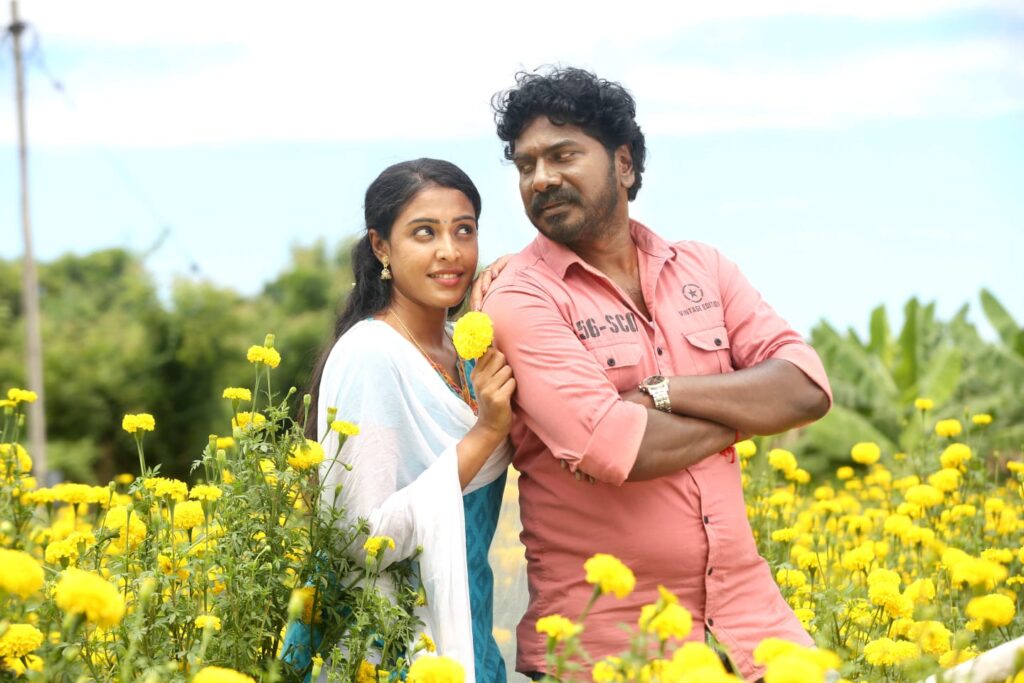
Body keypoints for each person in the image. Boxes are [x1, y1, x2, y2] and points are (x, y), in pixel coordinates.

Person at [479, 68, 833, 681]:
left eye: (563, 155)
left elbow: (805, 388)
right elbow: (617, 447)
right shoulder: (520, 299)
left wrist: (663, 395)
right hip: (611, 648)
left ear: (623, 164)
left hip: (755, 629)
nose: (541, 178)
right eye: (525, 164)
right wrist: (749, 413)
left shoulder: (703, 268)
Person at [296, 158, 516, 682]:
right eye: (424, 232)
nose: (450, 251)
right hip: (392, 647)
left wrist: (523, 274)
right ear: (381, 247)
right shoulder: (372, 354)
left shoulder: (468, 353)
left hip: (469, 628)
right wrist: (487, 431)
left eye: (464, 230)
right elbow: (362, 537)